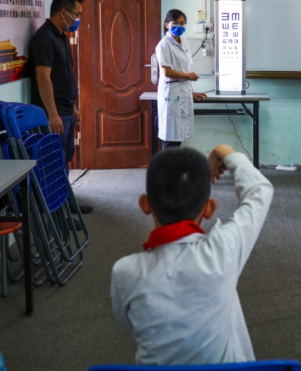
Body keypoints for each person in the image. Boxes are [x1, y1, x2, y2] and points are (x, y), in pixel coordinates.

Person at [110, 145, 274, 365]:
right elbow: (260, 190)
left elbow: (127, 320)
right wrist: (223, 151)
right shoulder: (223, 250)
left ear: (145, 204)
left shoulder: (125, 272)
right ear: (209, 209)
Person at [28, 0, 93, 214]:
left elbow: (64, 74)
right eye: (77, 15)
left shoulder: (61, 36)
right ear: (63, 12)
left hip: (66, 109)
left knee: (64, 160)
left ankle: (66, 203)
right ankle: (58, 216)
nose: (79, 20)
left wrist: (73, 106)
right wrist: (53, 114)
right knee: (53, 164)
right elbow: (43, 79)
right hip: (53, 114)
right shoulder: (44, 38)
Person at [155, 9, 206, 149]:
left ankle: (174, 170)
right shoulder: (164, 44)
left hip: (182, 93)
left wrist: (191, 92)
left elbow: (185, 69)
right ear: (167, 25)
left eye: (182, 23)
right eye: (175, 23)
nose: (179, 26)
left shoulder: (184, 41)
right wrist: (188, 76)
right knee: (170, 138)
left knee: (178, 138)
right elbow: (166, 71)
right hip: (171, 95)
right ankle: (168, 171)